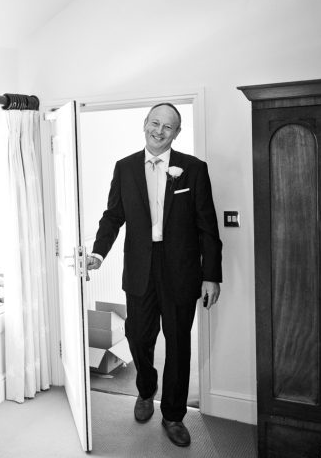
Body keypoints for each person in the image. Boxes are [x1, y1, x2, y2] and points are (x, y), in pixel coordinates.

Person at [86, 103, 222, 448]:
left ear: (177, 133)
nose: (160, 131)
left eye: (169, 127)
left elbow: (208, 226)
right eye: (155, 123)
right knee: (137, 336)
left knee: (178, 344)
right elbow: (113, 216)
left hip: (181, 269)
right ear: (145, 124)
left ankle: (174, 414)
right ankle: (146, 389)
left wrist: (211, 275)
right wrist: (99, 252)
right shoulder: (125, 168)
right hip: (139, 266)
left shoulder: (193, 169)